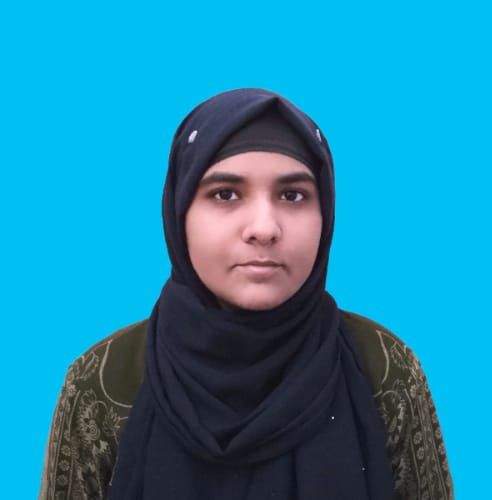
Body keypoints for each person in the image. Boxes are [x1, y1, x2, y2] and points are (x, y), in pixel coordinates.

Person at [39, 88, 454, 499]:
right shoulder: (104, 382)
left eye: (292, 195)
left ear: (325, 213)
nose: (264, 228)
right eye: (225, 194)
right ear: (180, 213)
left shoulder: (383, 369)